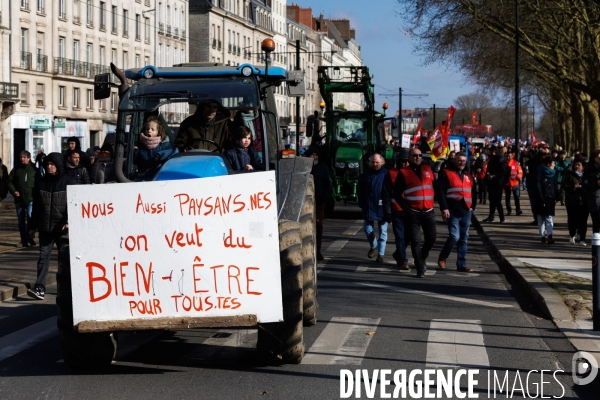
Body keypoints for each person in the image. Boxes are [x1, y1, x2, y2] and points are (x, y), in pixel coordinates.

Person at [393, 148, 446, 278]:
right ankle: (420, 267)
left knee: (432, 238)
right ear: (409, 158)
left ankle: (422, 256)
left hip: (428, 211)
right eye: (414, 155)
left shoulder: (428, 169)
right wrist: (407, 209)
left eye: (419, 155)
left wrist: (444, 207)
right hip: (413, 212)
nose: (417, 157)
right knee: (415, 241)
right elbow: (396, 194)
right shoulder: (403, 172)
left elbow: (438, 189)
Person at [27, 153, 72, 300]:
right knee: (43, 258)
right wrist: (32, 227)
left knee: (65, 259)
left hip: (62, 229)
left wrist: (68, 220)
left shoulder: (68, 182)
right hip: (45, 228)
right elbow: (37, 207)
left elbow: (73, 204)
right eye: (47, 164)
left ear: (58, 165)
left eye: (52, 164)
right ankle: (39, 287)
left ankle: (69, 288)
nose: (49, 167)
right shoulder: (41, 182)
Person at [437, 152, 477, 272]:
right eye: (459, 160)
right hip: (452, 210)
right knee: (455, 236)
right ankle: (443, 257)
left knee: (464, 239)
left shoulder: (468, 175)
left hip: (466, 211)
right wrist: (444, 208)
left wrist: (473, 206)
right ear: (454, 160)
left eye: (464, 161)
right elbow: (441, 192)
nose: (462, 163)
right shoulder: (445, 173)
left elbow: (474, 192)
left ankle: (461, 264)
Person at [357, 153, 391, 263]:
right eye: (373, 162)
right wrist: (362, 202)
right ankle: (374, 245)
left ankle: (381, 254)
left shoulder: (386, 174)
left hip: (383, 206)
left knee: (383, 231)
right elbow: (360, 188)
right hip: (369, 205)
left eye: (377, 162)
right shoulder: (366, 174)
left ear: (382, 162)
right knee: (367, 229)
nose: (375, 164)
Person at [304, 146, 332, 260]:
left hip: (319, 201)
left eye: (316, 155)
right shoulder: (304, 168)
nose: (314, 157)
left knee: (318, 226)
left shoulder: (323, 168)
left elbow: (328, 184)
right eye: (312, 155)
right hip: (306, 202)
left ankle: (318, 251)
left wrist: (325, 198)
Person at [387, 150, 412, 270]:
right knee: (400, 236)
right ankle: (403, 260)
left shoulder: (414, 173)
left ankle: (398, 253)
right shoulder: (391, 173)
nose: (405, 164)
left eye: (407, 161)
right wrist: (387, 210)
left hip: (411, 210)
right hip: (397, 209)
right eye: (403, 161)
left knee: (410, 236)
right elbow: (386, 193)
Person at [7, 150, 37, 247]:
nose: (22, 159)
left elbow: (39, 183)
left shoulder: (34, 169)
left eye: (24, 157)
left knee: (30, 218)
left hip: (30, 199)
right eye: (21, 157)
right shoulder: (16, 169)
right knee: (21, 222)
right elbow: (9, 181)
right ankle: (23, 240)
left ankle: (30, 238)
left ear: (29, 158)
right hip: (19, 200)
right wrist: (14, 191)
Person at [562, 160, 588, 245]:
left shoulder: (586, 175)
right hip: (572, 201)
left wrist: (582, 187)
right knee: (572, 220)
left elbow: (590, 186)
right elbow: (564, 186)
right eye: (576, 165)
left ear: (583, 166)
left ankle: (582, 238)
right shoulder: (570, 174)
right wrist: (573, 187)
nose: (577, 166)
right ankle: (572, 235)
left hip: (584, 202)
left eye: (579, 165)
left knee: (583, 221)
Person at [534, 156, 558, 244]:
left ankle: (550, 236)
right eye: (553, 163)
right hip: (541, 197)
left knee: (549, 218)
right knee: (541, 218)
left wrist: (556, 197)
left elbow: (555, 186)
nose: (554, 165)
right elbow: (538, 186)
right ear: (548, 164)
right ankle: (542, 236)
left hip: (550, 198)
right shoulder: (539, 171)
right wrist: (541, 199)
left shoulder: (554, 173)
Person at [482, 146, 507, 223]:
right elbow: (489, 169)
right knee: (492, 200)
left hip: (497, 183)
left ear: (494, 151)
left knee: (497, 201)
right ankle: (491, 216)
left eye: (490, 151)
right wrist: (487, 177)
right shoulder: (492, 159)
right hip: (491, 183)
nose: (489, 152)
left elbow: (503, 172)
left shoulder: (500, 159)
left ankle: (501, 217)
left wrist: (494, 176)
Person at [583, 149, 600, 235]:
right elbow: (585, 184)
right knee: (596, 221)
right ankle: (596, 240)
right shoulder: (589, 168)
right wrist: (596, 184)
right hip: (594, 198)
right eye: (598, 157)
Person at [504, 149, 523, 216]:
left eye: (509, 156)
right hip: (507, 183)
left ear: (512, 156)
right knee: (507, 198)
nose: (508, 157)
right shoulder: (504, 163)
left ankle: (518, 210)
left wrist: (518, 177)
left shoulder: (516, 163)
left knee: (517, 197)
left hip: (515, 183)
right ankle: (509, 210)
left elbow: (520, 172)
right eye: (507, 156)